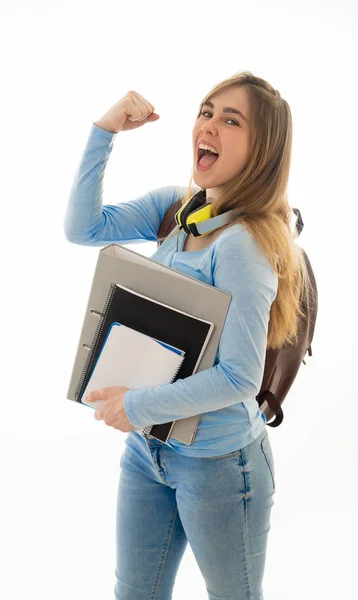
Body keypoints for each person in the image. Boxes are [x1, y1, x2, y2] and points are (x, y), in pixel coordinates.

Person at [64, 70, 314, 600]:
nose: (210, 126)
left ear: (263, 149)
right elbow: (82, 228)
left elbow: (241, 376)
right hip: (149, 449)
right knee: (134, 591)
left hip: (221, 465)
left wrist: (138, 404)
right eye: (207, 111)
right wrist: (103, 131)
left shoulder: (244, 246)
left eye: (231, 120)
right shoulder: (181, 209)